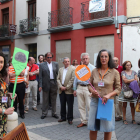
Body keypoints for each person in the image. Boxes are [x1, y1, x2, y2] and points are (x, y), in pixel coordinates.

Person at [88, 49, 121, 140]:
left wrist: (109, 95)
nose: (104, 58)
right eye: (102, 56)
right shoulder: (94, 71)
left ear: (109, 58)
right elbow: (89, 85)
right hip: (95, 101)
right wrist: (91, 90)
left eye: (106, 56)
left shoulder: (115, 72)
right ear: (99, 58)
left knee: (107, 128)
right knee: (93, 127)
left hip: (107, 103)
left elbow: (118, 89)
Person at [73, 53, 95, 128]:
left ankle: (92, 122)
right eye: (83, 59)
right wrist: (74, 89)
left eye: (86, 59)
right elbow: (75, 79)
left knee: (89, 106)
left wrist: (93, 91)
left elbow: (95, 80)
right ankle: (83, 121)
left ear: (89, 59)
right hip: (79, 87)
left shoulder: (92, 68)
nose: (85, 60)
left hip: (88, 88)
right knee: (81, 106)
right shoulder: (79, 68)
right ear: (81, 60)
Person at [0, 52, 16, 138]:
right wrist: (4, 111)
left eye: (1, 62)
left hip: (2, 118)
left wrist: (8, 94)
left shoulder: (1, 77)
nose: (0, 64)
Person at [39, 52, 59, 119]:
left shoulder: (56, 64)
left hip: (53, 83)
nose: (49, 58)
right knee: (45, 99)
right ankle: (44, 113)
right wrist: (40, 85)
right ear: (45, 58)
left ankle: (54, 113)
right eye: (48, 57)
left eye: (50, 57)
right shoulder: (42, 65)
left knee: (53, 99)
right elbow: (40, 76)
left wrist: (57, 83)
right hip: (45, 84)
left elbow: (58, 74)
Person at [57, 57, 75, 124]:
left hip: (69, 90)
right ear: (63, 63)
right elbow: (58, 79)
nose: (67, 63)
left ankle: (70, 118)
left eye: (68, 61)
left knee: (70, 105)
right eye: (65, 61)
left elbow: (72, 79)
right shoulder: (60, 69)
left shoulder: (73, 69)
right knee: (62, 104)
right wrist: (61, 86)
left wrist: (66, 87)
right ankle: (63, 117)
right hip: (61, 89)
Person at [113, 57, 123, 121]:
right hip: (112, 88)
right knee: (114, 102)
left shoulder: (121, 68)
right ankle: (114, 115)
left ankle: (120, 115)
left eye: (116, 61)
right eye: (113, 61)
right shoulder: (110, 68)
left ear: (118, 61)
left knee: (119, 102)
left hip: (120, 88)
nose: (115, 62)